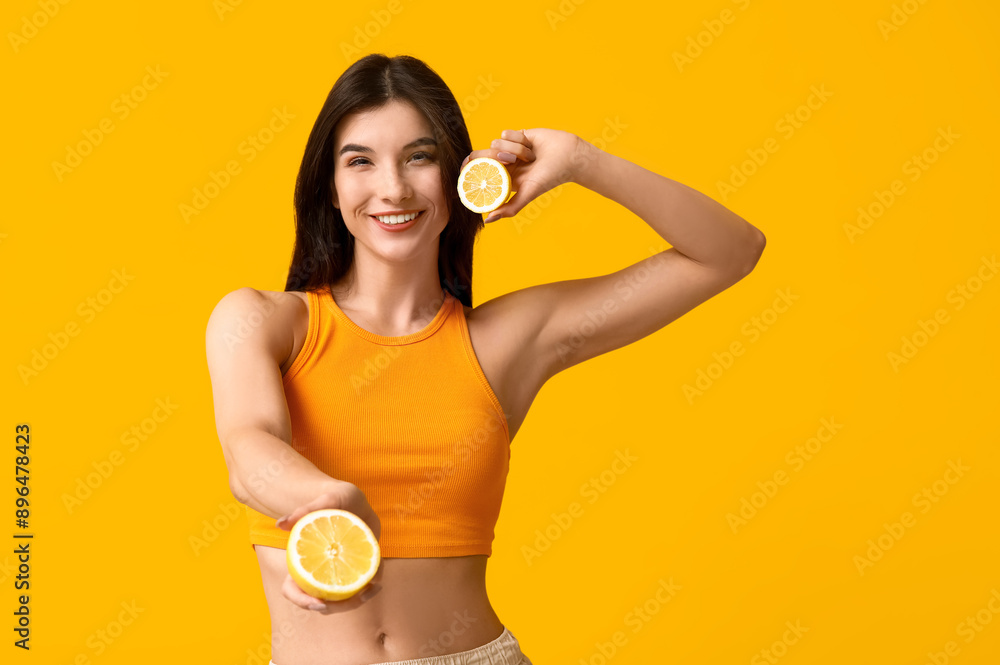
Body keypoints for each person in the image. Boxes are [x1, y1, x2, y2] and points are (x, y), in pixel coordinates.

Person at [205, 53, 765, 665]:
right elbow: (248, 449)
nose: (392, 187)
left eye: (419, 157)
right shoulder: (262, 321)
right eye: (360, 161)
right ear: (330, 188)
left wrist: (580, 160)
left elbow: (730, 252)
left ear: (455, 179)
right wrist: (324, 497)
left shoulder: (504, 342)